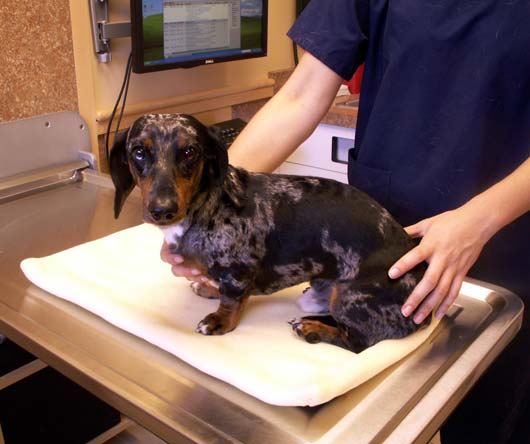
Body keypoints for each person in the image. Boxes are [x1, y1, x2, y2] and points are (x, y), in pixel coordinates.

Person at [161, 1, 530, 442]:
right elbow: (300, 97)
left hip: (503, 248)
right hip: (369, 251)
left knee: (483, 419)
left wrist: (477, 221)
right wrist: (209, 212)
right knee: (367, 421)